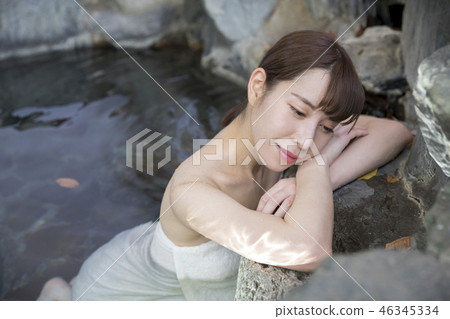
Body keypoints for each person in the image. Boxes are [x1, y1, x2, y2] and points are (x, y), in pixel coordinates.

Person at [37, 30, 413, 301]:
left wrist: (309, 178)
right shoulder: (193, 188)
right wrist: (315, 167)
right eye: (297, 111)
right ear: (257, 86)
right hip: (111, 296)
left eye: (326, 128)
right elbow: (308, 251)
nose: (306, 139)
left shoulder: (280, 147)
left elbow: (395, 133)